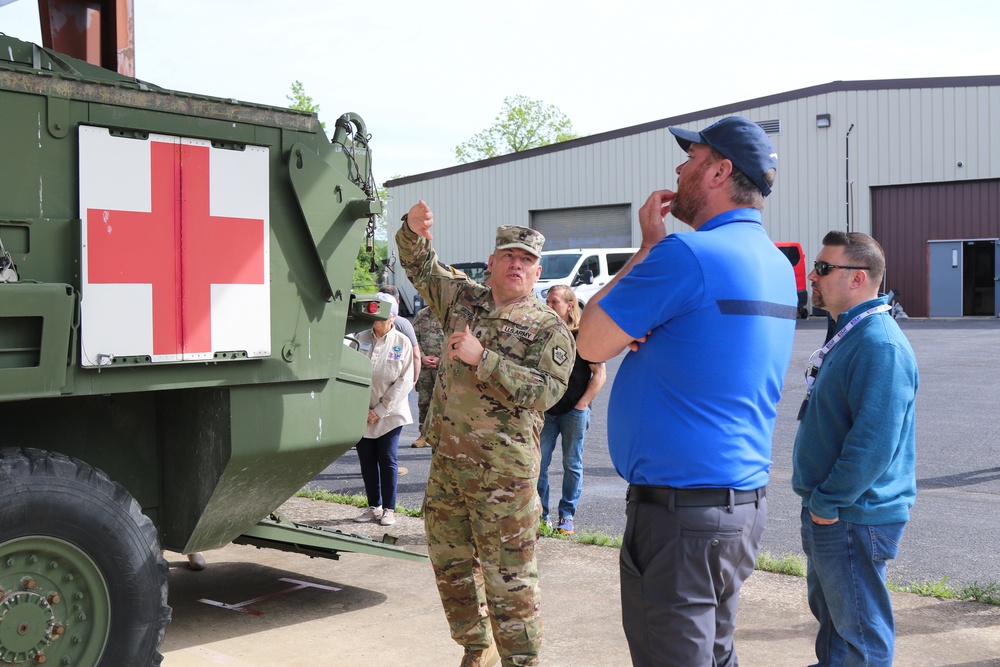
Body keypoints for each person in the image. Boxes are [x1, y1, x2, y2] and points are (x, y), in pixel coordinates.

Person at [576, 116, 797, 667]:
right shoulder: (773, 262)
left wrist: (649, 247)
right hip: (737, 510)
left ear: (721, 171)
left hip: (680, 520)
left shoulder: (687, 256)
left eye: (692, 159)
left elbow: (590, 341)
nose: (679, 168)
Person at [396, 201, 574, 667]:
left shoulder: (547, 327)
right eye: (508, 256)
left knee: (509, 579)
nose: (517, 264)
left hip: (504, 478)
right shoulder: (463, 300)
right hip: (449, 470)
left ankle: (522, 661)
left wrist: (484, 359)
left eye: (527, 260)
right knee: (451, 570)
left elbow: (549, 392)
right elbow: (419, 267)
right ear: (492, 263)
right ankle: (477, 650)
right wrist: (413, 232)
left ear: (537, 272)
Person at [793, 231, 918, 667]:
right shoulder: (851, 333)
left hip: (851, 513)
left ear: (858, 278)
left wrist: (828, 501)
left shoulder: (878, 344)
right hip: (833, 509)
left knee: (861, 636)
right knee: (835, 627)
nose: (813, 275)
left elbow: (874, 441)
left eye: (824, 268)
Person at [537, 285, 606, 534]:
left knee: (571, 464)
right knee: (538, 463)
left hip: (574, 412)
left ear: (569, 306)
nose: (549, 306)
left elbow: (599, 374)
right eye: (547, 301)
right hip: (546, 411)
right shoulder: (543, 334)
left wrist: (582, 404)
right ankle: (540, 516)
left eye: (554, 301)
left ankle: (566, 516)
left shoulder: (583, 336)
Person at [351, 292, 413, 527]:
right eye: (373, 316)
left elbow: (404, 381)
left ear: (392, 318)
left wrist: (380, 409)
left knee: (387, 459)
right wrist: (362, 408)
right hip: (362, 413)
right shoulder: (360, 338)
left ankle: (389, 509)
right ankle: (373, 506)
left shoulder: (401, 342)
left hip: (390, 414)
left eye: (380, 317)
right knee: (366, 460)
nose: (375, 321)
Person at [410, 304, 444, 448]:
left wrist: (441, 358)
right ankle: (424, 434)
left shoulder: (449, 315)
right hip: (424, 367)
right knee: (424, 401)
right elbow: (413, 339)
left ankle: (442, 436)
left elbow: (456, 339)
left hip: (444, 366)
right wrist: (422, 357)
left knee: (444, 401)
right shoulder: (421, 315)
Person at [379, 284, 421, 385]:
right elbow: (415, 355)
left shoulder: (367, 321)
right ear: (397, 302)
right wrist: (414, 379)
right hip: (398, 379)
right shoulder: (403, 324)